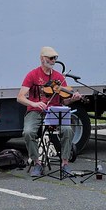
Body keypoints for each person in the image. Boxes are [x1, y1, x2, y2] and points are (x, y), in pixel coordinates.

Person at [18, 46, 82, 177]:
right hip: (35, 110)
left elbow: (64, 102)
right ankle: (37, 162)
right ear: (42, 59)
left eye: (55, 58)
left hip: (54, 111)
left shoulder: (58, 77)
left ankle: (64, 163)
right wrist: (34, 103)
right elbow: (20, 97)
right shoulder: (32, 75)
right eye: (51, 58)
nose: (54, 60)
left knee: (67, 130)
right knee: (28, 132)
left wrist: (73, 99)